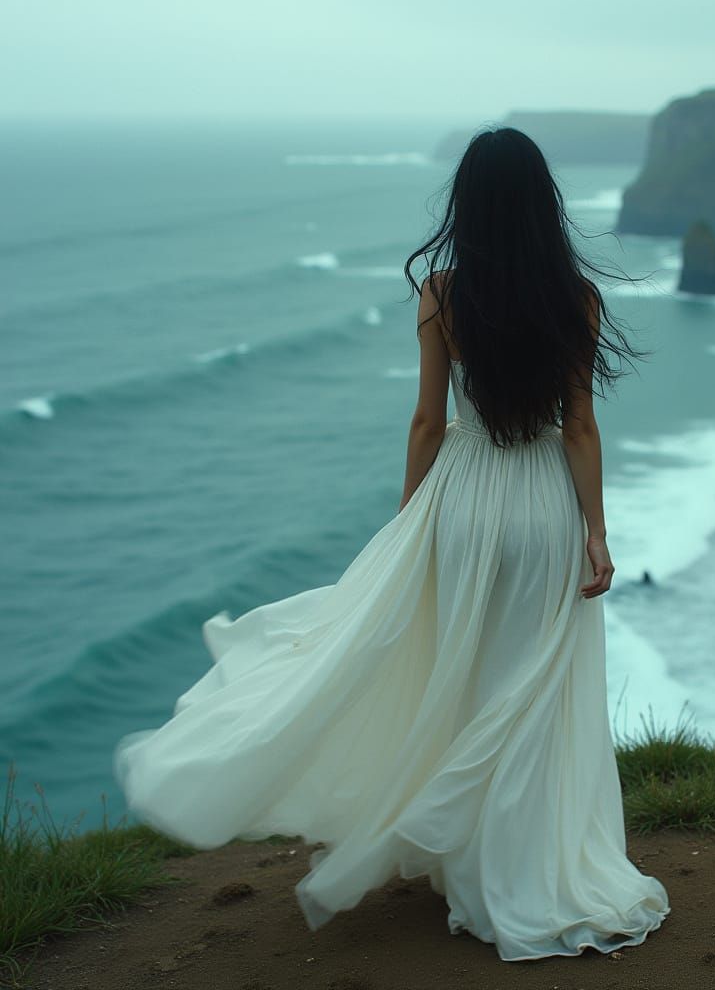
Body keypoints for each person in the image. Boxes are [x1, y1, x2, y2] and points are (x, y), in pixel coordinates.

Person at [112, 126, 670, 962]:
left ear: (469, 209)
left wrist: (410, 518)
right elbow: (580, 426)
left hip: (467, 498)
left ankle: (471, 859)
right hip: (544, 504)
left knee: (471, 677)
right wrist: (596, 531)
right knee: (535, 690)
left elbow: (425, 421)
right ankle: (533, 866)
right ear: (543, 205)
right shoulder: (577, 298)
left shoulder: (442, 292)